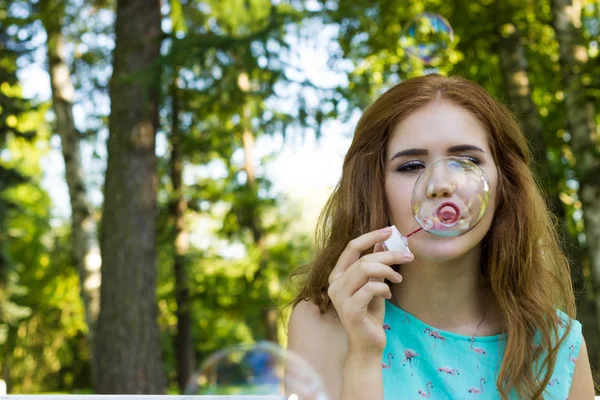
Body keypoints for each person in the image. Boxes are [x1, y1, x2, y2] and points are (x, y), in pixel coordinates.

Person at [286, 74, 595, 399]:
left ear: (505, 185)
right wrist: (363, 357)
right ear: (375, 190)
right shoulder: (325, 326)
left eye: (467, 161)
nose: (441, 185)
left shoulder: (556, 344)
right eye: (412, 166)